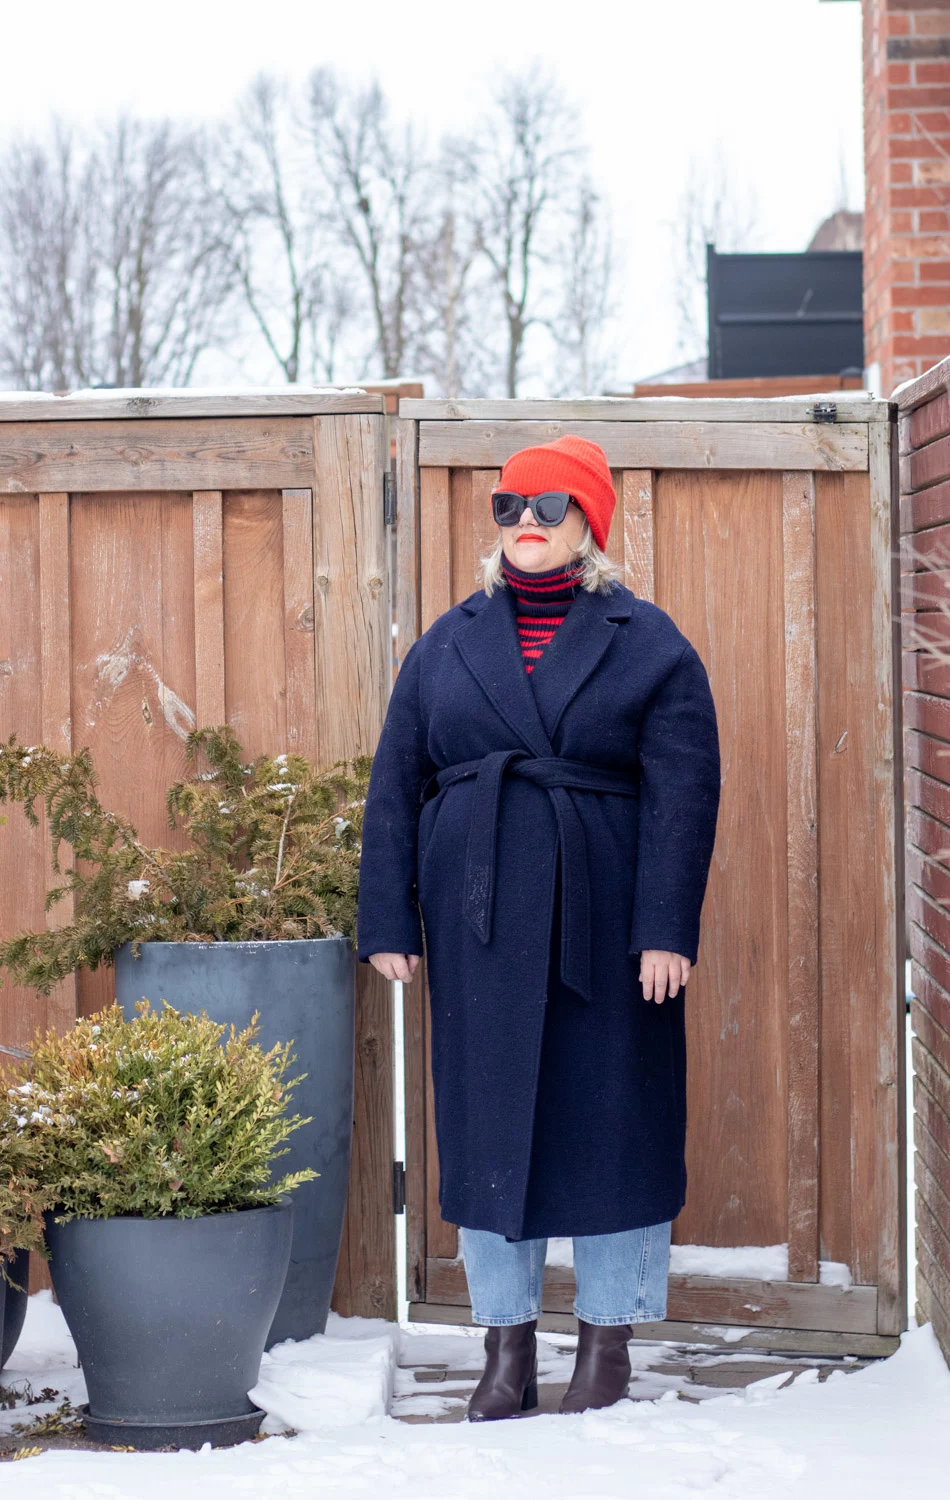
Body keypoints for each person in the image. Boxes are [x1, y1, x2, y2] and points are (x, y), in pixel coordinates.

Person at [357, 435, 721, 1420]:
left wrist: (664, 930)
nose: (525, 523)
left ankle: (603, 1351)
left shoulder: (645, 641)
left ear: (588, 520)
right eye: (507, 506)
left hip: (605, 927)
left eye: (547, 506)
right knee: (487, 1132)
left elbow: (683, 797)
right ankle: (504, 1352)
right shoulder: (447, 640)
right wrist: (389, 914)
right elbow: (396, 782)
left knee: (613, 1129)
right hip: (479, 927)